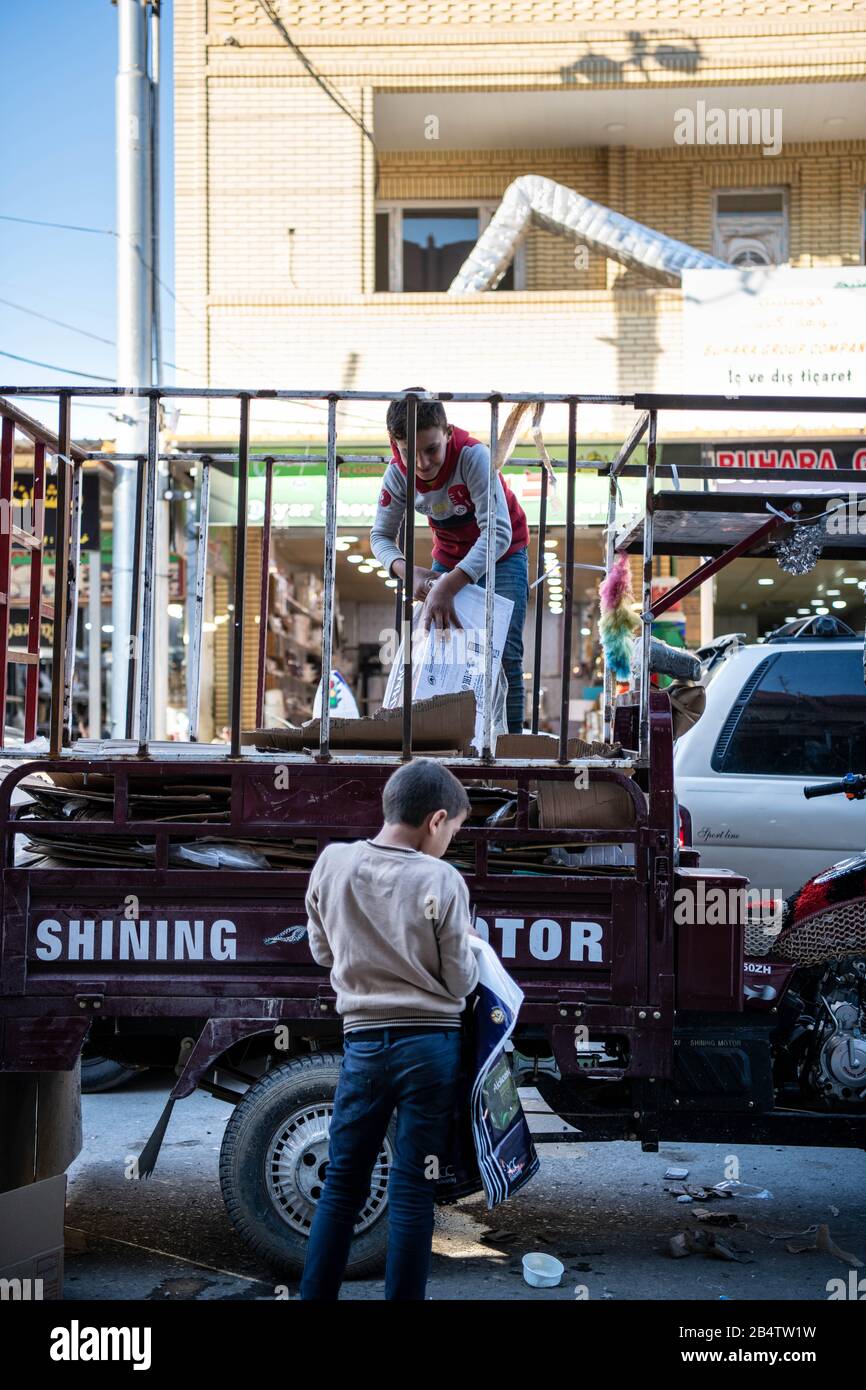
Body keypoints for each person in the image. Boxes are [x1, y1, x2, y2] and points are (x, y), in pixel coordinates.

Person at [299, 759, 480, 1301]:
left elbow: (320, 949)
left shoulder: (332, 862)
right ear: (436, 819)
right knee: (412, 1189)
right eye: (454, 830)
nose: (451, 841)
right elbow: (458, 984)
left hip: (364, 1044)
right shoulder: (442, 879)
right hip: (430, 1049)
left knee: (344, 1184)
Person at [370, 391, 530, 734]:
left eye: (431, 449)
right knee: (440, 655)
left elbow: (498, 533)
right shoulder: (398, 474)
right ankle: (447, 745)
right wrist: (406, 571)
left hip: (502, 555)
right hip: (449, 558)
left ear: (447, 432)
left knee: (504, 658)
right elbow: (380, 537)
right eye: (409, 453)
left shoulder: (473, 457)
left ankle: (513, 757)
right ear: (394, 444)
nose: (423, 464)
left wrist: (449, 584)